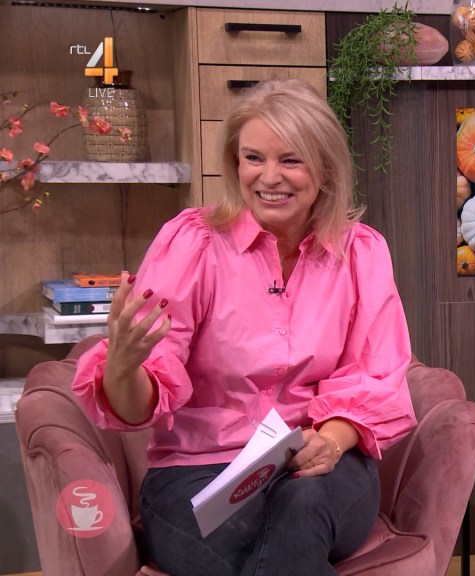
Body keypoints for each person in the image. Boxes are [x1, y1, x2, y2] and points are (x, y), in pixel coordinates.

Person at [71, 78, 417, 576]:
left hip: (318, 459)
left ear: (324, 167)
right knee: (273, 540)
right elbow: (139, 404)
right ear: (235, 163)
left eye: (291, 160)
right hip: (199, 472)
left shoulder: (360, 253)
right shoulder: (192, 243)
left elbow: (376, 376)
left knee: (302, 507)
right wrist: (123, 368)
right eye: (253, 158)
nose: (269, 177)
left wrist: (332, 441)